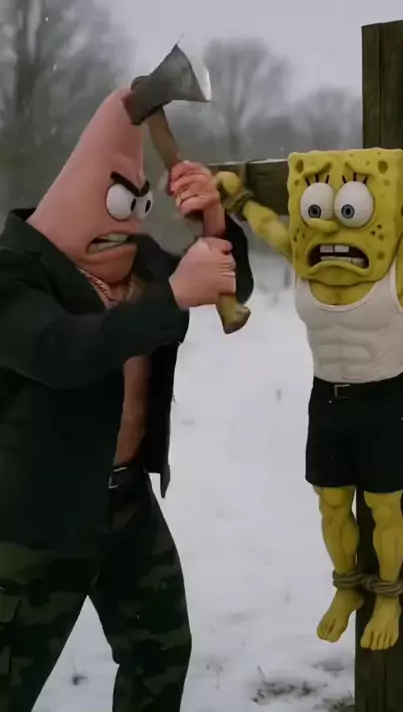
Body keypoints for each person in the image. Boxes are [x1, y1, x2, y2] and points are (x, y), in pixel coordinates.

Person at [0, 87, 253, 712]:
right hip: (33, 516)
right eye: (117, 204)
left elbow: (228, 280)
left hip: (125, 501)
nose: (127, 227)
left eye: (139, 206)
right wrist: (173, 297)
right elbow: (64, 352)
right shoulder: (15, 275)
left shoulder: (139, 264)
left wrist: (215, 222)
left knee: (159, 651)